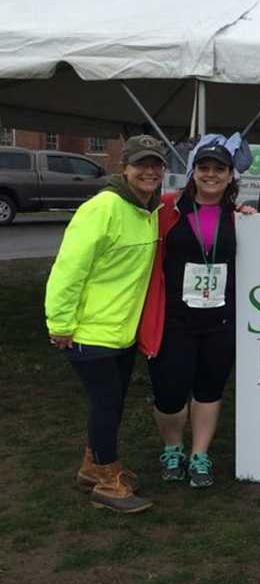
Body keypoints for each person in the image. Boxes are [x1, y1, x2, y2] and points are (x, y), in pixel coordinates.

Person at [45, 135, 166, 513]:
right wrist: (60, 322)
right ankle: (107, 482)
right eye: (140, 165)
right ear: (123, 167)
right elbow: (68, 269)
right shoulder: (103, 208)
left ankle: (93, 467)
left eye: (155, 165)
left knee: (111, 404)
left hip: (121, 332)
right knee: (106, 403)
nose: (149, 172)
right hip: (90, 331)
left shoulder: (149, 210)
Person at [138, 142, 248, 488]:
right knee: (169, 395)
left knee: (209, 391)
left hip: (220, 320)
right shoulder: (168, 208)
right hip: (174, 319)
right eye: (204, 168)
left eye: (219, 169)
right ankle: (173, 447)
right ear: (193, 172)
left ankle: (200, 453)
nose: (211, 175)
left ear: (230, 175)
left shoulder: (239, 216)